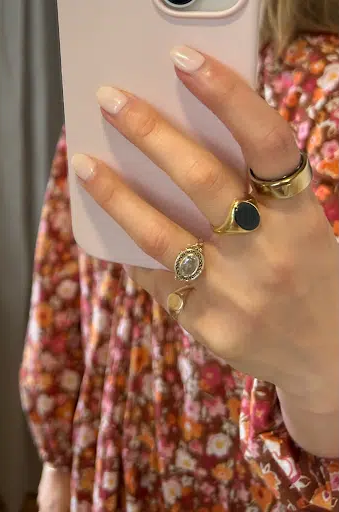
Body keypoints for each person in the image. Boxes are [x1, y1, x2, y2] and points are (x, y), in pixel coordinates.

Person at [20, 0, 339, 510]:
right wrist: (56, 460)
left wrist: (323, 371)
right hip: (123, 432)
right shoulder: (113, 79)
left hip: (245, 474)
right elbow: (62, 275)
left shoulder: (329, 98)